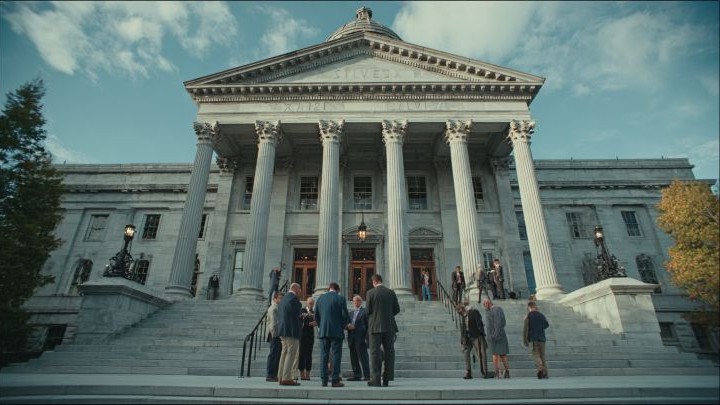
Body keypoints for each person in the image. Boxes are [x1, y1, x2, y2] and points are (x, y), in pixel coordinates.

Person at [366, 274, 400, 387]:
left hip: (375, 327)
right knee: (389, 352)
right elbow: (397, 309)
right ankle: (387, 378)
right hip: (389, 327)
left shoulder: (370, 293)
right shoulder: (391, 292)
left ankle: (376, 380)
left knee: (375, 353)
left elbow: (368, 311)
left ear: (374, 281)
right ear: (381, 280)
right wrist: (388, 316)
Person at [314, 282, 350, 387]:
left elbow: (316, 316)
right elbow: (345, 316)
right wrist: (342, 326)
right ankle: (335, 380)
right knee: (336, 355)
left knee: (324, 355)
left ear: (329, 289)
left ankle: (324, 380)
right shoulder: (341, 299)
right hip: (337, 332)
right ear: (337, 289)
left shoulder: (320, 299)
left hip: (324, 331)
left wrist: (322, 325)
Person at [277, 283, 302, 386]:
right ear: (295, 288)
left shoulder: (283, 299)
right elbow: (296, 313)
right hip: (291, 331)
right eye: (300, 288)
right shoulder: (293, 299)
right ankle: (287, 378)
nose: (300, 291)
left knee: (284, 353)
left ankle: (280, 376)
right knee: (291, 354)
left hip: (283, 330)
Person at [457, 298, 489, 379]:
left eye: (459, 311)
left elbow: (479, 323)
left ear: (463, 309)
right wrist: (463, 338)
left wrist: (481, 334)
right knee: (466, 352)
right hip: (468, 337)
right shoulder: (463, 316)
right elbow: (464, 327)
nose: (459, 313)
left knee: (481, 353)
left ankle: (484, 372)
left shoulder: (474, 312)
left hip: (476, 335)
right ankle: (468, 372)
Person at [483, 298, 510, 379]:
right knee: (495, 354)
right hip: (493, 336)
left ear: (488, 303)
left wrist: (495, 335)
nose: (485, 306)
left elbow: (500, 323)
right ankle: (498, 371)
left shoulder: (497, 310)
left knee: (501, 354)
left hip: (497, 336)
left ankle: (503, 372)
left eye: (485, 304)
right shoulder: (489, 311)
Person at [523, 301, 550, 379]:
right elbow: (546, 325)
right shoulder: (541, 315)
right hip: (542, 338)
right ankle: (545, 373)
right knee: (543, 356)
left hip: (533, 339)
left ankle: (540, 368)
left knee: (535, 355)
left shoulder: (528, 316)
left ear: (529, 307)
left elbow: (525, 329)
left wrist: (525, 340)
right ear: (535, 307)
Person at [347, 295, 371, 381]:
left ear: (361, 302)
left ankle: (367, 375)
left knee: (363, 357)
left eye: (358, 301)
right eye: (354, 301)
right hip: (351, 338)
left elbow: (369, 326)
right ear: (353, 302)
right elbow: (346, 323)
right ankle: (356, 375)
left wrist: (366, 338)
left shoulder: (365, 312)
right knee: (353, 358)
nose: (356, 302)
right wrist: (348, 326)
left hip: (361, 338)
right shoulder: (350, 313)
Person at [265, 292, 284, 382]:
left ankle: (274, 374)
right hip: (274, 334)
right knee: (273, 355)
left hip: (276, 334)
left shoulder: (278, 308)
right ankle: (270, 375)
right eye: (280, 298)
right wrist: (276, 335)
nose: (281, 300)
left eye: (282, 298)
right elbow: (273, 324)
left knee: (276, 355)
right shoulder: (274, 308)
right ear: (275, 299)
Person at [298, 297, 317, 381]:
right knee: (301, 354)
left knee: (309, 355)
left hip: (310, 336)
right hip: (302, 336)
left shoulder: (314, 312)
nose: (311, 305)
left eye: (312, 303)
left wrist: (316, 322)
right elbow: (300, 320)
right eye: (310, 303)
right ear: (306, 303)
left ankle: (308, 374)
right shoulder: (302, 310)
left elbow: (318, 320)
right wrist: (308, 320)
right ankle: (301, 373)